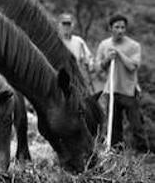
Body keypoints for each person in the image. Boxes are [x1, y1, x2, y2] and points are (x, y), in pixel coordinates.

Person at [94, 14, 144, 150]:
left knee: (136, 126)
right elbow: (97, 68)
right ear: (110, 28)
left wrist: (119, 54)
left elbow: (133, 66)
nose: (120, 30)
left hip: (129, 91)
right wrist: (107, 59)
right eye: (117, 27)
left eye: (123, 27)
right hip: (111, 91)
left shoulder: (134, 46)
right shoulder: (104, 45)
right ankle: (116, 155)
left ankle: (145, 155)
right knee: (114, 127)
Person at [58, 12, 94, 80]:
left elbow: (88, 57)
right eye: (64, 24)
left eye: (68, 24)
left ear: (72, 26)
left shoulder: (78, 41)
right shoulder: (55, 40)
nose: (66, 27)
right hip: (58, 75)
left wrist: (90, 64)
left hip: (75, 77)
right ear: (59, 25)